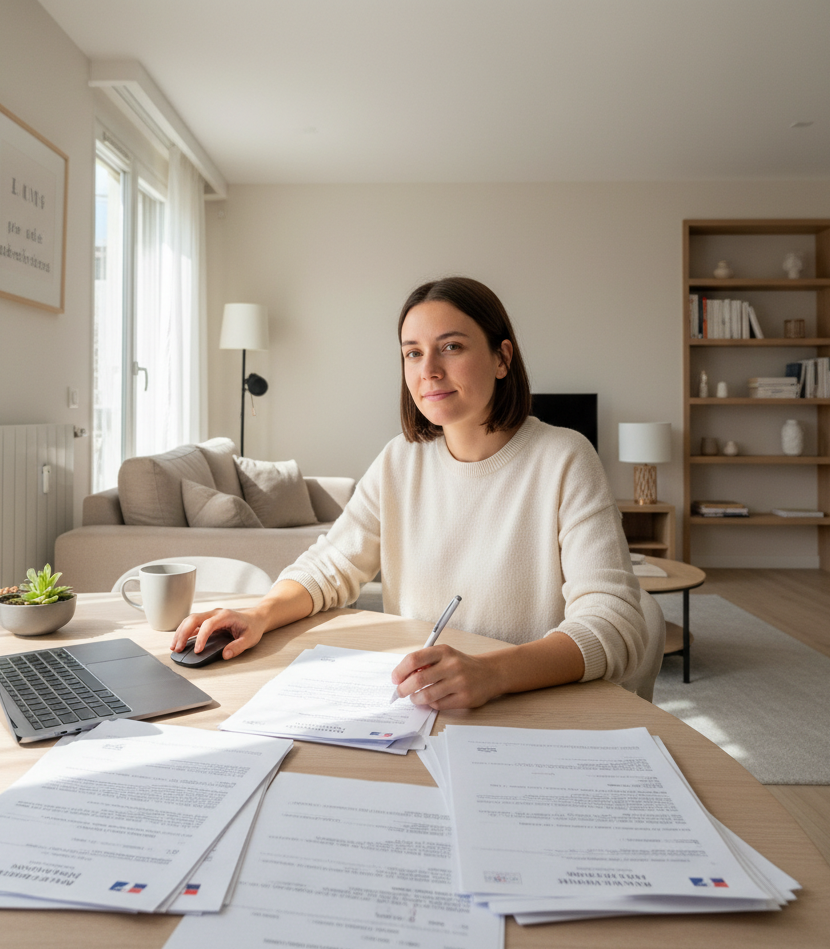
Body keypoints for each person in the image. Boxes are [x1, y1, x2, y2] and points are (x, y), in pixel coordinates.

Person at [172, 277, 647, 709]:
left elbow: (615, 623)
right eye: (413, 353)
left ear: (502, 358)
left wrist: (492, 673)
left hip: (530, 706)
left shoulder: (565, 458)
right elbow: (331, 566)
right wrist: (258, 614)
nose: (429, 371)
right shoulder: (401, 459)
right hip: (425, 706)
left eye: (452, 347)